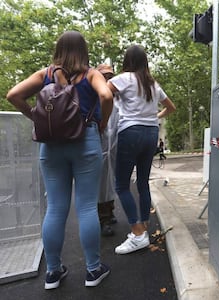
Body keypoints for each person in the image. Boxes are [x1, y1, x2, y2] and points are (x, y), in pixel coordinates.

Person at [6, 31, 113, 289]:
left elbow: (13, 95)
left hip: (51, 147)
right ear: (83, 51)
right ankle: (93, 270)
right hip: (85, 141)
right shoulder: (90, 74)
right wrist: (102, 123)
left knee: (55, 208)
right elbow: (106, 96)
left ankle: (53, 273)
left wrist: (38, 119)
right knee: (86, 207)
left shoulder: (45, 75)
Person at [107, 44, 176, 255]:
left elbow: (102, 95)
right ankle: (143, 226)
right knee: (143, 182)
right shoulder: (153, 84)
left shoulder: (123, 78)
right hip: (151, 134)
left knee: (121, 185)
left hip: (131, 132)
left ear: (127, 61)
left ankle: (137, 234)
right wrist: (155, 116)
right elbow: (171, 108)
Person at [96, 64, 118, 237]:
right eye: (105, 76)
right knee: (101, 182)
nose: (108, 79)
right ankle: (102, 218)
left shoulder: (118, 97)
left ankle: (109, 213)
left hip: (114, 146)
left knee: (111, 181)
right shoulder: (96, 96)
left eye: (110, 76)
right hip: (99, 144)